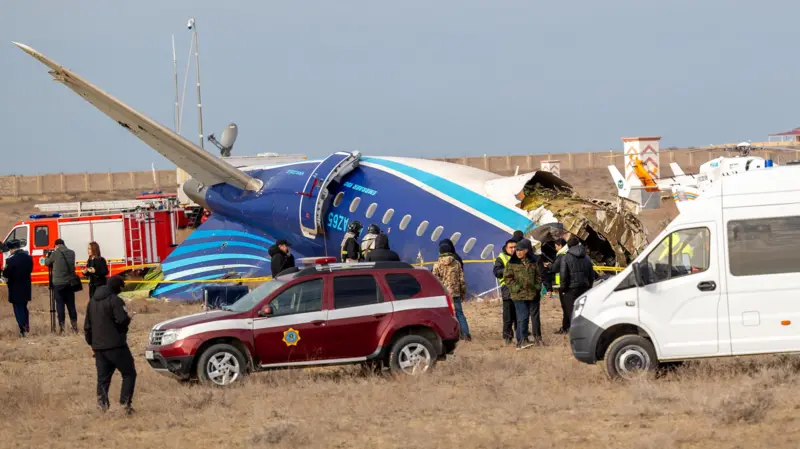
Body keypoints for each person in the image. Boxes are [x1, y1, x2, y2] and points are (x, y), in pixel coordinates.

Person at [84, 276, 136, 414]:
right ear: (117, 287)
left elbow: (87, 326)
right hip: (116, 345)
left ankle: (102, 407)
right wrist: (128, 318)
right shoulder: (115, 300)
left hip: (99, 347)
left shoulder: (92, 302)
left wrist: (91, 343)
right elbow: (121, 320)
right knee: (129, 373)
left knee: (102, 379)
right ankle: (125, 406)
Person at [502, 238, 543, 349]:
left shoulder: (532, 261)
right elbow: (507, 278)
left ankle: (523, 340)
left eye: (521, 250)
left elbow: (538, 275)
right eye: (517, 250)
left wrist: (537, 286)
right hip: (518, 295)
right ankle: (521, 341)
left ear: (526, 251)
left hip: (531, 294)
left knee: (526, 317)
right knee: (522, 317)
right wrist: (516, 287)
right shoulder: (512, 263)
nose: (518, 252)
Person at [433, 241, 471, 341]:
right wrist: (463, 293)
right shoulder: (457, 263)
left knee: (445, 315)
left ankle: (448, 336)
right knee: (459, 313)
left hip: (444, 295)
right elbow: (462, 280)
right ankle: (466, 334)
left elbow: (435, 281)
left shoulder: (437, 265)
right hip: (456, 293)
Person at [559, 236, 595, 333]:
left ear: (568, 246)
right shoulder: (587, 257)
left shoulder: (565, 257)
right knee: (583, 311)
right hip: (585, 288)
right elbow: (592, 274)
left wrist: (563, 289)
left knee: (570, 312)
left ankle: (575, 333)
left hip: (570, 289)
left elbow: (563, 276)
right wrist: (589, 286)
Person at [45, 238, 79, 334]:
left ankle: (62, 328)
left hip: (58, 284)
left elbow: (47, 262)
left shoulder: (55, 253)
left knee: (60, 306)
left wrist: (47, 255)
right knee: (71, 306)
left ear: (56, 245)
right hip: (70, 283)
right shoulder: (72, 253)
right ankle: (74, 327)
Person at [2, 239, 34, 337]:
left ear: (11, 249)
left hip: (15, 287)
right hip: (26, 287)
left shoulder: (11, 260)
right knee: (24, 308)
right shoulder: (28, 258)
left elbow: (6, 274)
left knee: (18, 309)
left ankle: (22, 329)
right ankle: (27, 327)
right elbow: (30, 270)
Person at [493, 238, 517, 344]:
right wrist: (509, 269)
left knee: (520, 316)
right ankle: (507, 337)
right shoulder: (501, 258)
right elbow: (497, 272)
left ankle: (522, 336)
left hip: (520, 289)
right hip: (507, 289)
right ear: (506, 248)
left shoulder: (520, 256)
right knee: (508, 316)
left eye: (514, 247)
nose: (513, 249)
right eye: (511, 247)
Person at [546, 238, 570, 333]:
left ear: (560, 245)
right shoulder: (568, 254)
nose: (555, 248)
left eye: (556, 246)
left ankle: (565, 327)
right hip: (567, 284)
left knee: (565, 307)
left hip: (562, 284)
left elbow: (555, 267)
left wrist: (549, 266)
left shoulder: (561, 256)